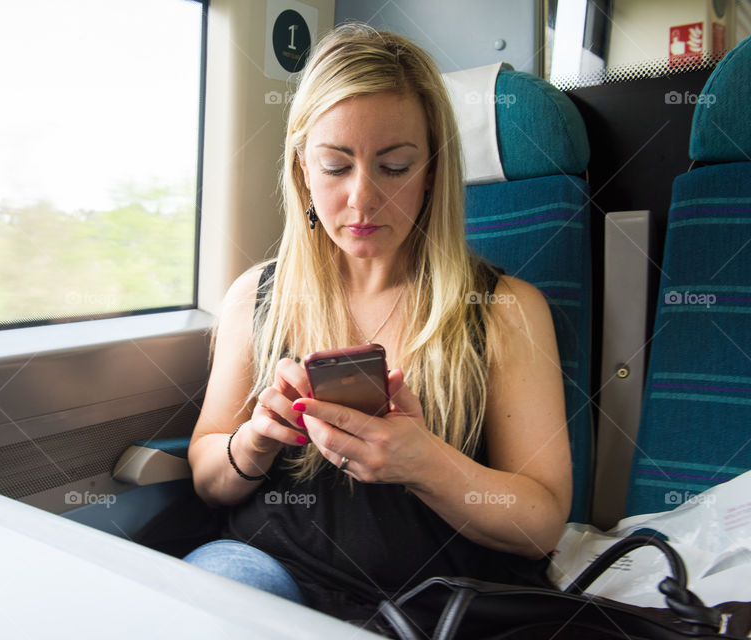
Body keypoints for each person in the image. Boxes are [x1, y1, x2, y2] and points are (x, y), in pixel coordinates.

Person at [184, 23, 572, 626]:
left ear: (433, 172)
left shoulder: (503, 310)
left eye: (393, 167)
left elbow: (541, 522)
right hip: (271, 571)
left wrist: (425, 464)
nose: (362, 200)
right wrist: (254, 440)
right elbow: (210, 478)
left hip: (439, 599)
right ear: (302, 171)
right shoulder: (255, 297)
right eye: (335, 167)